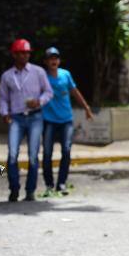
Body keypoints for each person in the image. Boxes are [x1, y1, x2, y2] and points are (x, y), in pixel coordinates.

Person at [0, 39, 53, 202]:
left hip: (35, 116)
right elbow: (2, 98)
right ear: (14, 54)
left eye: (27, 53)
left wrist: (40, 101)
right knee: (13, 154)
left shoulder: (38, 72)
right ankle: (14, 189)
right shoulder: (7, 76)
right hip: (16, 118)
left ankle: (30, 191)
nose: (24, 56)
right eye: (21, 53)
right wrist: (4, 112)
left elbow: (48, 92)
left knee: (33, 156)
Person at [41, 47, 93, 196]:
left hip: (66, 119)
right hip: (49, 120)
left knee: (66, 150)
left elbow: (75, 92)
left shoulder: (66, 74)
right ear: (46, 61)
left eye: (56, 58)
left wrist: (86, 108)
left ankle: (61, 183)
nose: (54, 60)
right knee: (47, 153)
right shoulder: (42, 77)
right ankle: (49, 185)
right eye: (50, 58)